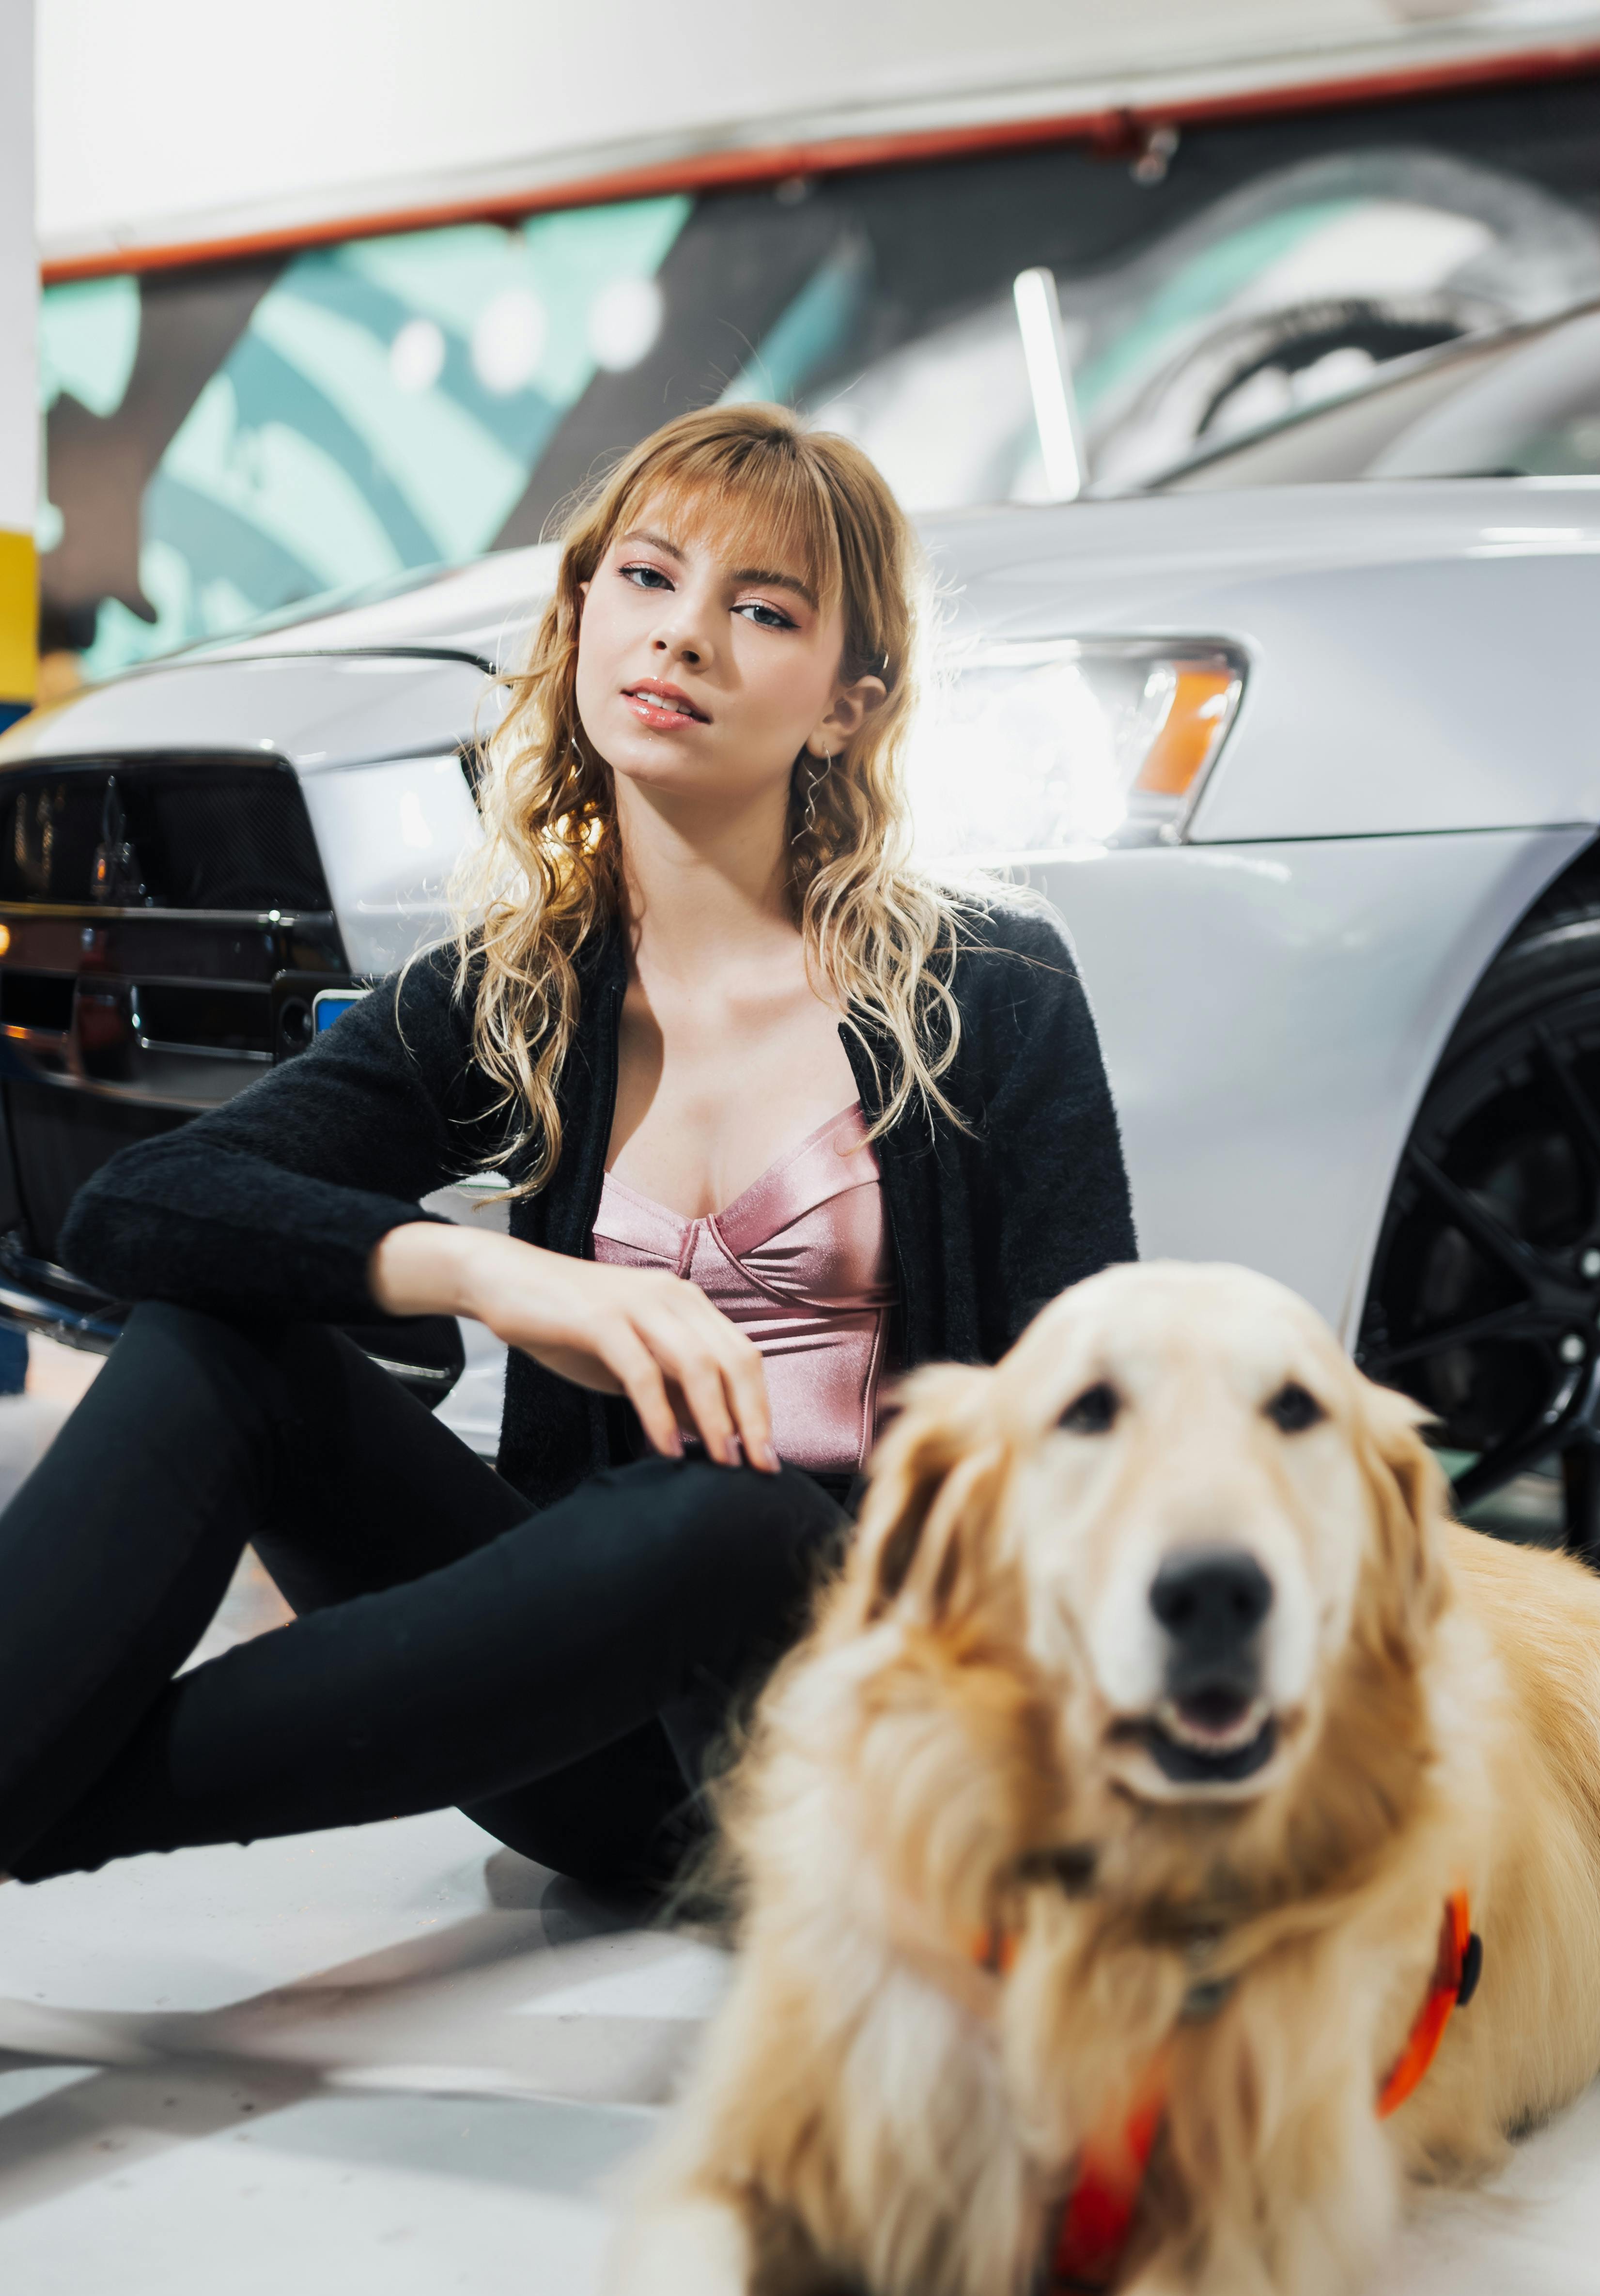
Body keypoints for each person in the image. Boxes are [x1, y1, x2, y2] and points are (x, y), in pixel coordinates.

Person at [0, 406, 1134, 1897]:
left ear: (848, 707)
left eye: (764, 609)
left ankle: (39, 1798)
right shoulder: (520, 987)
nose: (684, 639)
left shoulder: (988, 989)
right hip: (595, 1742)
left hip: (864, 1725)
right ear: (582, 613)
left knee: (730, 1516)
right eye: (649, 580)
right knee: (223, 1354)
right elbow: (131, 1209)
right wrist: (502, 1280)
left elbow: (1102, 1407)